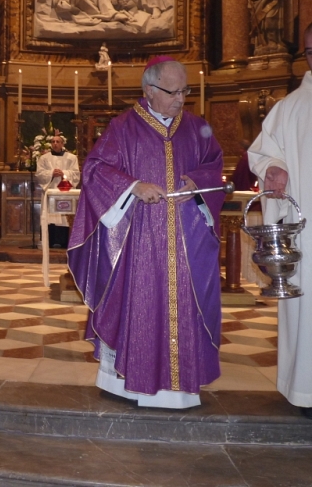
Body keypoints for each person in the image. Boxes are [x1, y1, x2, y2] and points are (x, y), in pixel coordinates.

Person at [68, 56, 224, 409]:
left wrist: (197, 181)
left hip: (186, 240)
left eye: (185, 91)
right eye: (173, 91)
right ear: (149, 90)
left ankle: (181, 391)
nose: (181, 99)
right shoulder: (123, 128)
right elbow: (95, 170)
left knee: (185, 304)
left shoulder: (196, 127)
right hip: (138, 240)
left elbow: (215, 166)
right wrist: (133, 185)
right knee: (140, 303)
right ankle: (127, 383)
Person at [247, 22, 312, 418]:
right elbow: (263, 152)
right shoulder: (289, 108)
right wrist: (273, 169)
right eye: (308, 51)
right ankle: (306, 391)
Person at [35, 134, 80, 248]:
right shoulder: (44, 158)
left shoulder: (71, 158)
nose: (55, 144)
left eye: (58, 142)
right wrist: (51, 173)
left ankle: (64, 241)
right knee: (50, 216)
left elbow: (76, 174)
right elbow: (39, 173)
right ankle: (50, 240)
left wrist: (64, 173)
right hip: (50, 190)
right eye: (53, 142)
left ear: (62, 144)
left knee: (64, 216)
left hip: (65, 191)